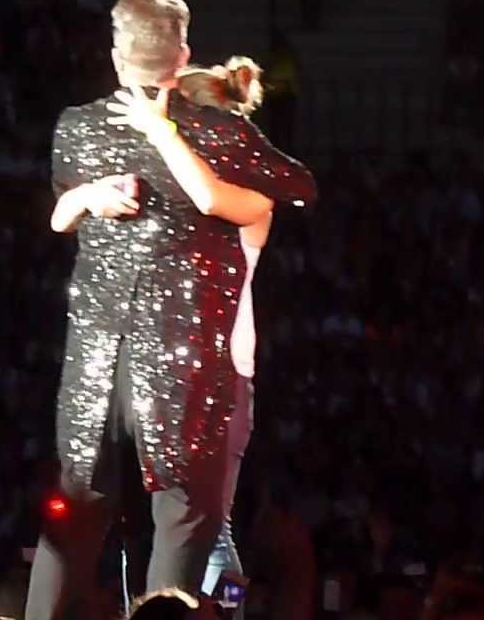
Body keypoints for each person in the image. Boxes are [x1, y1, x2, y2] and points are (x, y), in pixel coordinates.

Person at [28, 0, 316, 620]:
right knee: (189, 534)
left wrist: (161, 134)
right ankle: (225, 611)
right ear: (181, 60)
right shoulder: (221, 146)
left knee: (189, 539)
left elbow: (219, 198)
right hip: (199, 375)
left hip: (166, 373)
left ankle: (229, 610)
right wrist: (105, 184)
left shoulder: (231, 185)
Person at [176, 58, 270, 614]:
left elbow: (207, 199)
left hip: (221, 374)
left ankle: (232, 610)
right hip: (179, 369)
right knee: (190, 522)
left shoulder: (248, 194)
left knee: (211, 522)